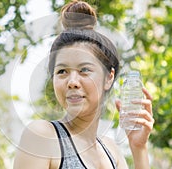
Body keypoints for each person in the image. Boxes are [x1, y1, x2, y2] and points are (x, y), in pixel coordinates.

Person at [14, 0, 154, 168]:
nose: (72, 82)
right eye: (62, 71)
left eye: (84, 70)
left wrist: (139, 149)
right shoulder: (43, 137)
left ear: (109, 77)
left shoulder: (112, 152)